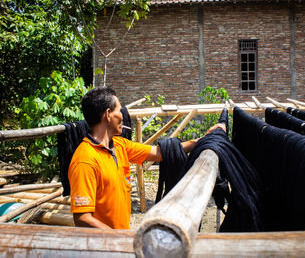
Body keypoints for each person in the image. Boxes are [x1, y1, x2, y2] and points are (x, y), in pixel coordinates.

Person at [68, 86, 225, 229]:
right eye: (119, 110)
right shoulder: (85, 160)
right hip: (104, 246)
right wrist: (118, 239)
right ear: (108, 115)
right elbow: (82, 218)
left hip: (121, 238)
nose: (123, 116)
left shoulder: (119, 145)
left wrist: (207, 139)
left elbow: (161, 153)